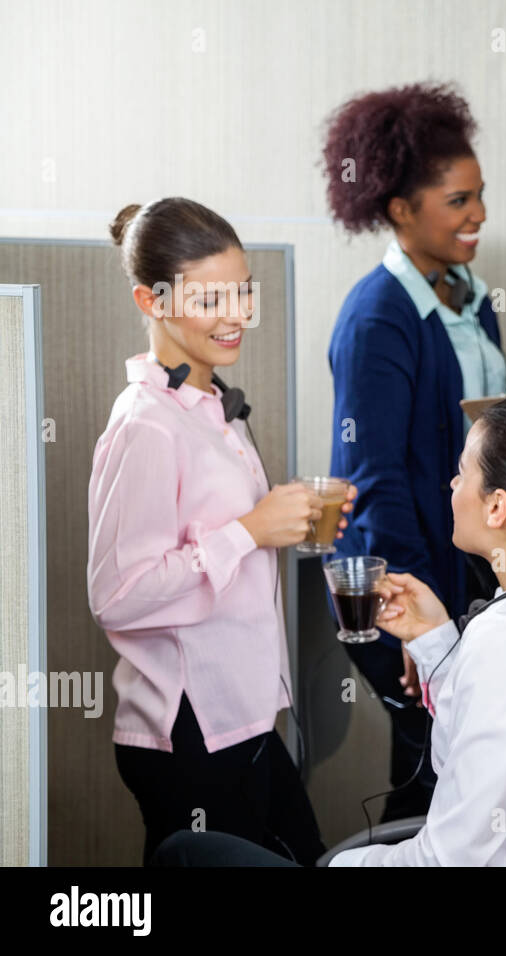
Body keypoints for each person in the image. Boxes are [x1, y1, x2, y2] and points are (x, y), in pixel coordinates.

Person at [152, 398, 506, 866]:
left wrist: (340, 865)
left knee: (184, 851)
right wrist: (434, 636)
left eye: (461, 474)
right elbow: (498, 720)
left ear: (497, 507)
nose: (452, 487)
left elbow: (445, 858)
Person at [89, 198, 352, 865]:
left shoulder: (214, 406)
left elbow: (224, 537)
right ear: (152, 301)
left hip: (244, 715)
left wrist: (283, 521)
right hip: (188, 731)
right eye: (210, 300)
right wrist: (250, 530)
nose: (236, 315)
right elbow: (117, 594)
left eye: (242, 292)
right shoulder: (144, 423)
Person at [322, 81, 506, 821]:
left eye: (480, 196)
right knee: (443, 771)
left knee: (447, 768)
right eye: (458, 201)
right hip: (399, 582)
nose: (479, 215)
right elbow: (378, 481)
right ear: (400, 211)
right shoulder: (378, 319)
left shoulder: (467, 295)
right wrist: (423, 618)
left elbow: (469, 434)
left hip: (454, 582)